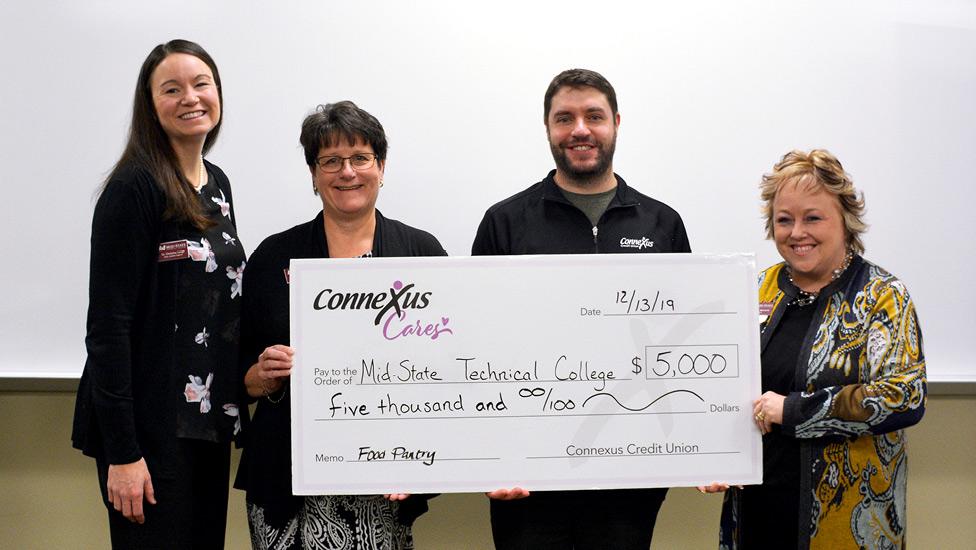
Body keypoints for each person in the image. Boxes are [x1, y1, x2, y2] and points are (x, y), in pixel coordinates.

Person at [472, 68, 690, 549]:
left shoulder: (662, 224)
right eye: (564, 118)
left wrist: (706, 448)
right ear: (547, 128)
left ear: (615, 122)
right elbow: (477, 348)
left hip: (630, 474)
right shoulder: (505, 223)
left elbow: (683, 343)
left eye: (594, 116)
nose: (580, 130)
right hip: (528, 479)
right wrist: (491, 459)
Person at [234, 101, 444, 549]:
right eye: (330, 161)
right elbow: (237, 376)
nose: (346, 172)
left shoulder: (421, 253)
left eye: (360, 158)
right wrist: (262, 377)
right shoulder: (274, 257)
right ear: (313, 174)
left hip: (385, 476)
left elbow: (446, 370)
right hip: (286, 479)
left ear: (381, 167)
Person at [701, 149, 927, 549]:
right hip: (757, 516)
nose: (796, 232)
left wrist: (793, 411)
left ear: (845, 220)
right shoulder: (755, 288)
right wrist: (715, 454)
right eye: (784, 220)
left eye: (813, 218)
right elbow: (723, 384)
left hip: (846, 524)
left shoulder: (881, 296)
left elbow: (903, 397)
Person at [71, 39, 242, 549]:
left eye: (201, 84)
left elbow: (219, 296)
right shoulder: (134, 187)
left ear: (218, 94)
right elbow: (107, 328)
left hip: (208, 423)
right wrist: (124, 454)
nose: (190, 98)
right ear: (150, 105)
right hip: (149, 432)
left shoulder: (218, 184)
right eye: (172, 89)